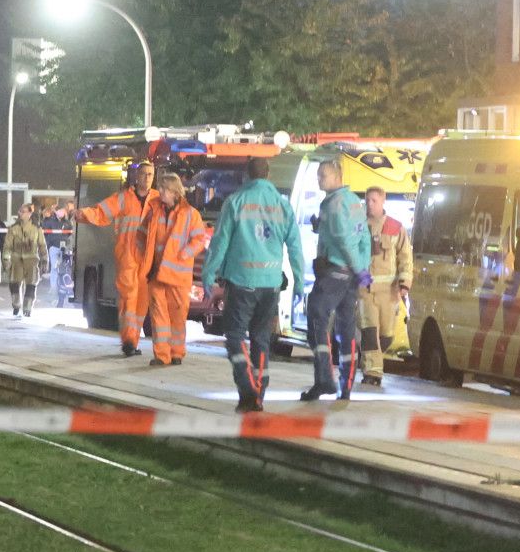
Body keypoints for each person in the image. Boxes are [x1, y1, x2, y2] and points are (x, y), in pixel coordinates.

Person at [201, 158, 303, 412]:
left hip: (242, 282)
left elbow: (220, 243)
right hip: (270, 285)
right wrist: (299, 281)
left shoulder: (235, 202)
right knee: (261, 340)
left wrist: (208, 274)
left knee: (234, 336)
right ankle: (259, 392)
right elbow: (295, 246)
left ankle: (247, 386)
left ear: (247, 175)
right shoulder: (282, 206)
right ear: (267, 174)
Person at [302, 159, 369, 402]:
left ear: (337, 177)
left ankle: (324, 380)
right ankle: (346, 386)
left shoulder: (334, 203)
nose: (319, 179)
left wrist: (359, 268)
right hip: (349, 277)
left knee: (316, 317)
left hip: (334, 273)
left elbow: (345, 240)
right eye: (319, 175)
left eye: (323, 175)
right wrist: (362, 270)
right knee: (346, 329)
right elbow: (363, 238)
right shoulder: (353, 202)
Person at [77, 161, 156, 356]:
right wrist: (83, 214)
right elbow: (102, 211)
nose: (147, 178)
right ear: (136, 177)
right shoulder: (124, 198)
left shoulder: (157, 200)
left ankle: (133, 341)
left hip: (147, 258)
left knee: (141, 304)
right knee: (129, 299)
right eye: (144, 174)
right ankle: (128, 341)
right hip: (128, 256)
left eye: (150, 174)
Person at [142, 175, 209, 366]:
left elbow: (199, 240)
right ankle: (161, 355)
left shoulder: (190, 214)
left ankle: (176, 353)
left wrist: (184, 254)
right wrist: (142, 258)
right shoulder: (154, 210)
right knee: (158, 317)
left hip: (178, 275)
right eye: (160, 188)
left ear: (175, 191)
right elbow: (143, 235)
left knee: (178, 317)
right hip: (156, 273)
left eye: (164, 189)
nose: (160, 192)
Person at [360, 186, 414, 388]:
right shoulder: (358, 226)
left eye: (374, 201)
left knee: (386, 336)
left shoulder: (395, 227)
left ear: (383, 202)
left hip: (388, 293)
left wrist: (404, 284)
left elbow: (405, 258)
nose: (370, 204)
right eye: (368, 200)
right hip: (364, 290)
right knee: (369, 331)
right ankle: (373, 373)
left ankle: (368, 359)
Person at [4, 201, 45, 317]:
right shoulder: (13, 228)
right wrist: (6, 260)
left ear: (29, 214)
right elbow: (7, 246)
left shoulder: (36, 229)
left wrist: (45, 260)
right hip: (16, 261)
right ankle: (16, 305)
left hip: (31, 261)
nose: (20, 213)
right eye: (19, 211)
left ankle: (27, 308)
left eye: (23, 211)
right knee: (14, 284)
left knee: (31, 285)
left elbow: (42, 245)